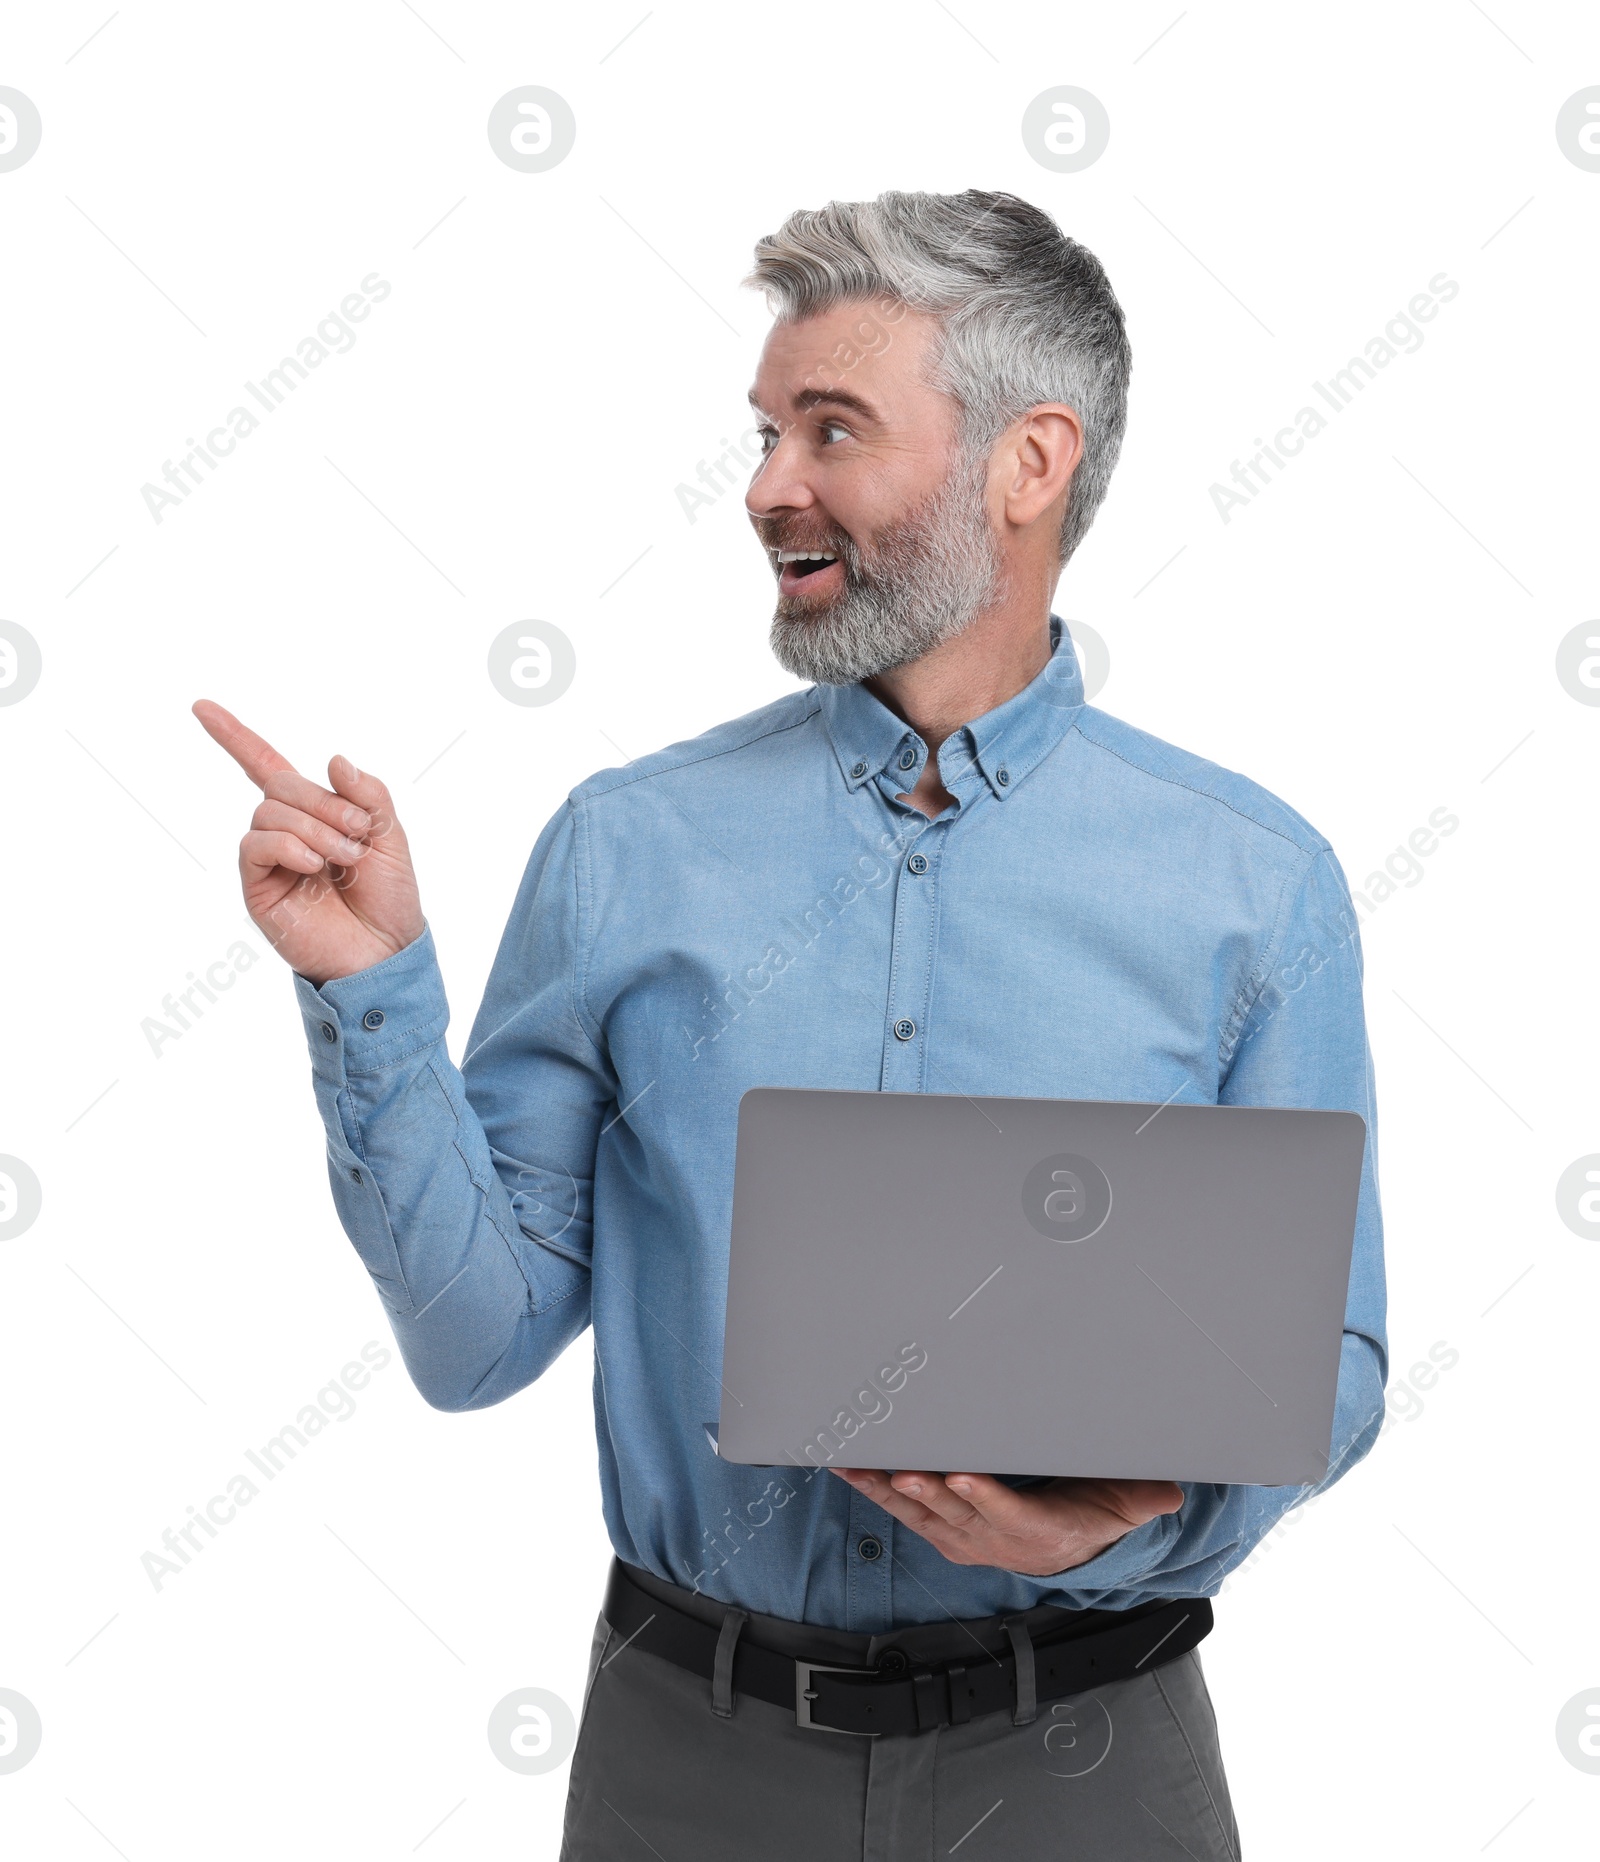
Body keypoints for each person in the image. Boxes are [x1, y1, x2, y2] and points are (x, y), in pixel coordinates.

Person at [195, 190, 1386, 1860]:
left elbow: (1328, 1362)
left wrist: (1114, 1525)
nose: (766, 486)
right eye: (765, 431)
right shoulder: (629, 846)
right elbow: (478, 1340)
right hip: (693, 1764)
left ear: (1028, 464)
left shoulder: (1255, 887)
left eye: (833, 429)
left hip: (1089, 1763)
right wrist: (368, 987)